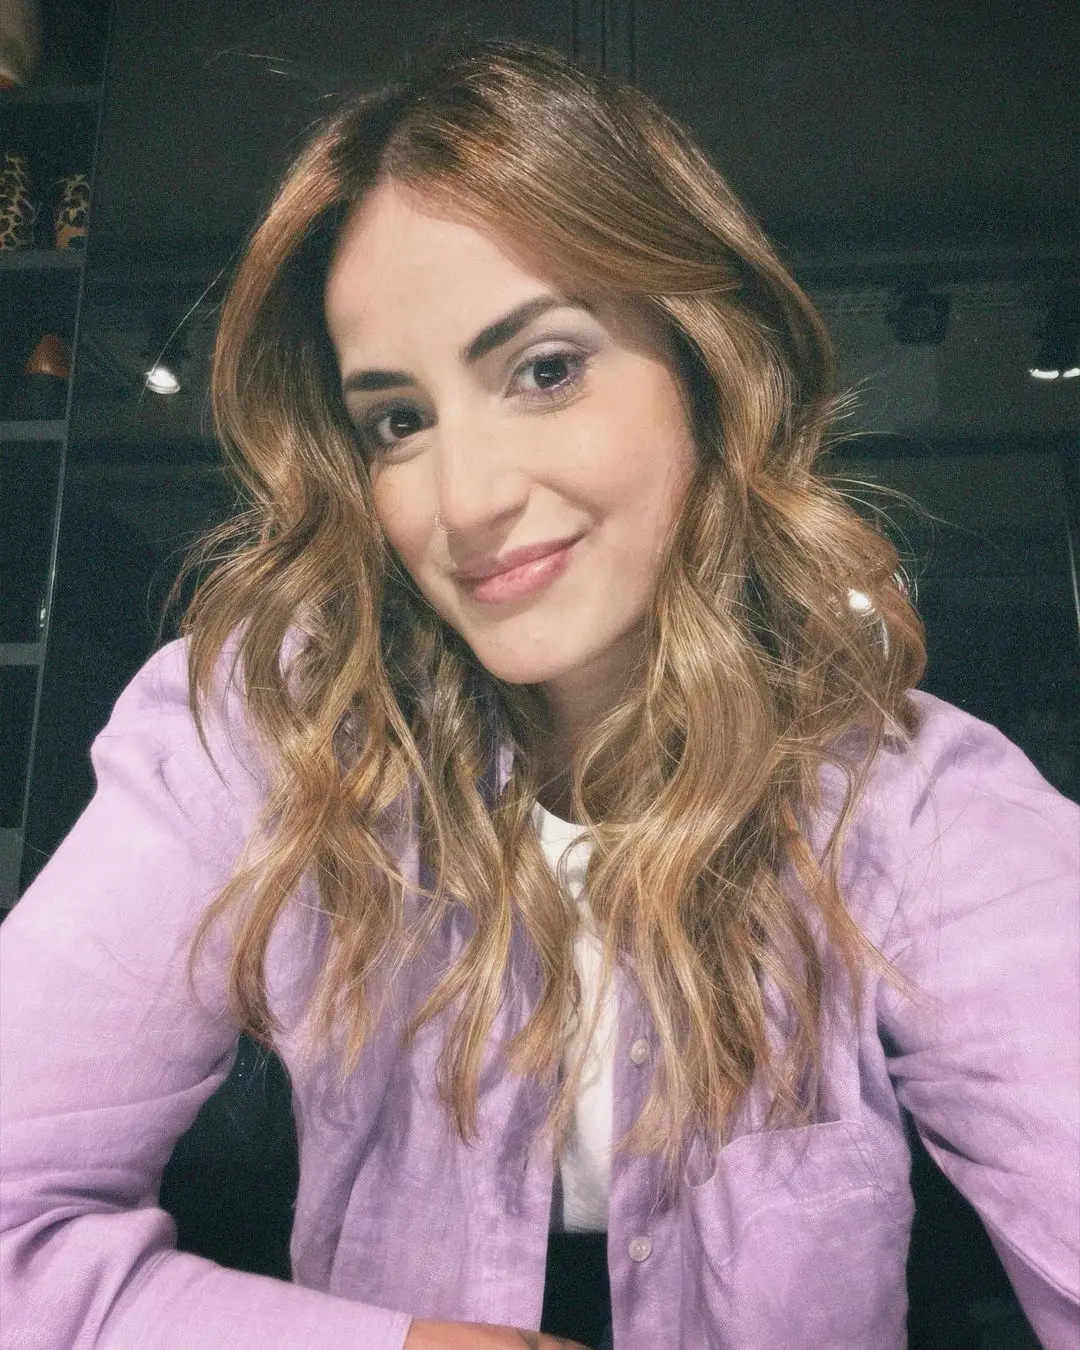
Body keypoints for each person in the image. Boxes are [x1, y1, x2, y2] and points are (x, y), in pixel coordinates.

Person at [1, 37, 1077, 1350]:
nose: (464, 501)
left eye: (547, 368)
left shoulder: (904, 796)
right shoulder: (257, 731)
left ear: (706, 366)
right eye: (398, 420)